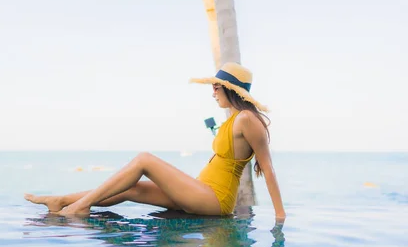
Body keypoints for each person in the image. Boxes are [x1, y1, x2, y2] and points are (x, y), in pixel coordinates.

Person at [24, 62, 286, 220]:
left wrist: (280, 216)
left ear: (232, 89)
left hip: (214, 200)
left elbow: (269, 170)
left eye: (217, 86)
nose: (213, 90)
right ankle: (61, 200)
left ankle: (79, 207)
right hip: (201, 190)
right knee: (131, 188)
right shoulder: (232, 120)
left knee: (144, 160)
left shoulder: (247, 120)